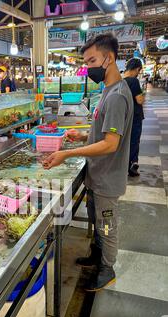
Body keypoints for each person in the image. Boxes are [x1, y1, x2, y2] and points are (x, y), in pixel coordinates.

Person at [43, 34, 134, 292]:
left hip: (108, 178)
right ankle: (97, 253)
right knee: (96, 219)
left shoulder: (117, 95)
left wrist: (67, 154)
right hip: (98, 174)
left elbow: (110, 144)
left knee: (106, 224)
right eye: (86, 62)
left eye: (92, 60)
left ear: (110, 58)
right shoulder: (107, 91)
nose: (89, 67)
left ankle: (107, 269)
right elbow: (104, 133)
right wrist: (83, 135)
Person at [124, 58, 145, 177]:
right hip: (135, 117)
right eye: (139, 71)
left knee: (126, 141)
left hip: (126, 116)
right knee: (134, 141)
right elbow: (140, 100)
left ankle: (124, 165)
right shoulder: (134, 81)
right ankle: (131, 166)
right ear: (137, 69)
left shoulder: (121, 81)